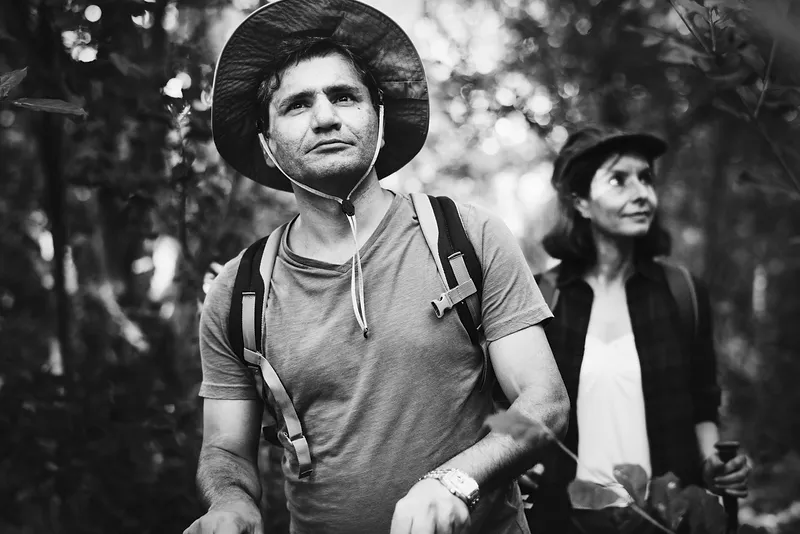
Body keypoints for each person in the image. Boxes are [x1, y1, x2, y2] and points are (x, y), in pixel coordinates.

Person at [184, 1, 569, 533]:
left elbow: (543, 404)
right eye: (297, 105)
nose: (325, 117)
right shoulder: (238, 293)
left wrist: (462, 478)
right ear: (268, 146)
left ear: (380, 123)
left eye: (344, 96)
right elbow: (226, 447)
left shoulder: (467, 238)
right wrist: (232, 503)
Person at [523, 126, 751, 533]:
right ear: (580, 202)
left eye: (646, 178)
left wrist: (713, 466)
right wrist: (517, 465)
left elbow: (703, 404)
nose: (642, 193)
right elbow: (518, 407)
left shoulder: (682, 292)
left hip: (665, 517)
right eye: (619, 180)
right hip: (567, 519)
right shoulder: (542, 298)